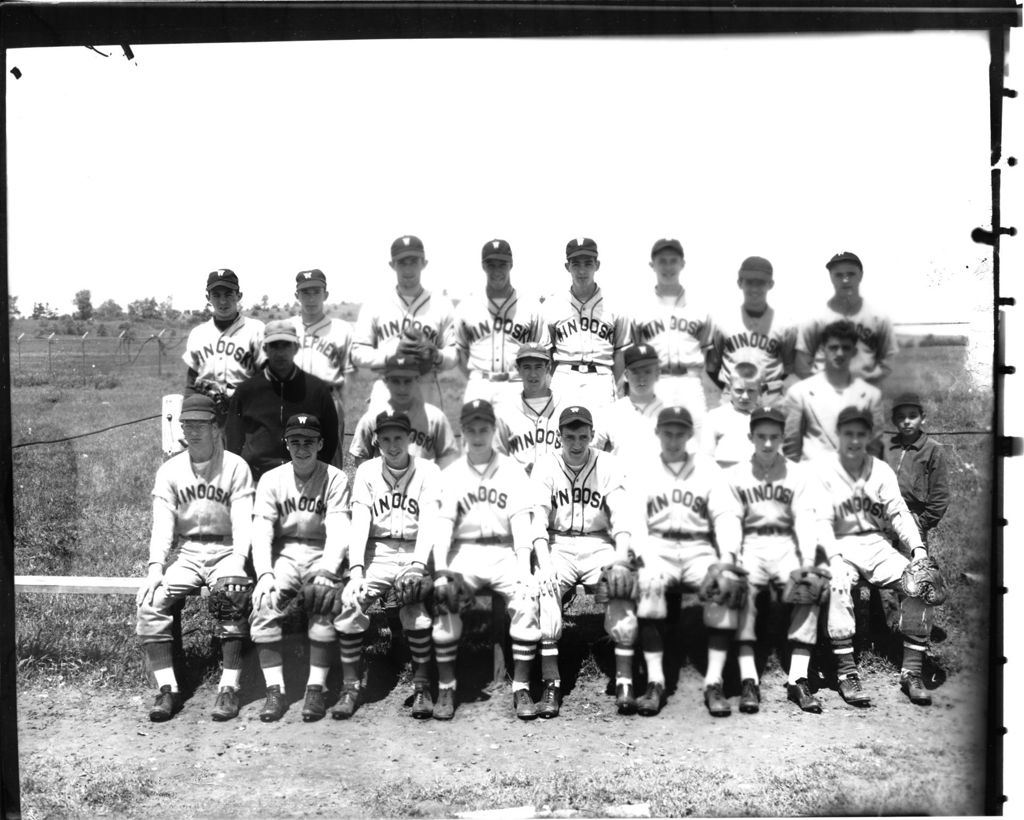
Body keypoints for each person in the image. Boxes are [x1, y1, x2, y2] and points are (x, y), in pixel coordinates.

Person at [135, 394, 255, 722]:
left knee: (232, 593)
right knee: (151, 601)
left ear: (217, 427)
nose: (194, 431)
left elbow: (245, 520)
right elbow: (163, 525)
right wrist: (156, 567)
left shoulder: (235, 466)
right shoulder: (171, 470)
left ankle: (229, 687)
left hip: (227, 549)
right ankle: (167, 689)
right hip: (188, 553)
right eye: (188, 424)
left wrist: (239, 561)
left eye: (202, 424)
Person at [813, 406, 940, 707]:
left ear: (868, 436)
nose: (854, 440)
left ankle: (912, 671)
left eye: (860, 434)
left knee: (919, 583)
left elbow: (899, 513)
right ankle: (846, 673)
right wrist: (831, 557)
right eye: (848, 434)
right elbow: (820, 522)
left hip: (877, 545)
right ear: (838, 436)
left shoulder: (880, 469)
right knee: (838, 581)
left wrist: (918, 551)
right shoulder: (824, 469)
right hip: (841, 545)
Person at [430, 400, 545, 720]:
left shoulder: (511, 470)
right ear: (462, 432)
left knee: (525, 598)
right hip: (463, 553)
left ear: (494, 431)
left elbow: (522, 522)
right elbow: (442, 528)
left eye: (484, 429)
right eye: (471, 429)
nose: (478, 435)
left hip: (504, 550)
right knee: (445, 600)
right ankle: (447, 686)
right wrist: (441, 571)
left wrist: (524, 567)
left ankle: (520, 686)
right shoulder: (451, 474)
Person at [631, 406, 745, 718]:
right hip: (659, 545)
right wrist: (646, 559)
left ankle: (714, 681)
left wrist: (726, 560)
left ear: (689, 435)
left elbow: (725, 516)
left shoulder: (707, 468)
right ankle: (655, 681)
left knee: (722, 588)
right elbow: (635, 522)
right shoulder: (644, 469)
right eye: (668, 432)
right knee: (649, 587)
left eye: (680, 432)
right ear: (658, 433)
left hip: (698, 547)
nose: (673, 439)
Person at [330, 410, 443, 719]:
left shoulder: (428, 472)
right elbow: (360, 524)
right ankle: (350, 686)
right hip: (375, 552)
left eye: (399, 438)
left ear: (410, 439)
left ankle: (422, 686)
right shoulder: (367, 472)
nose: (392, 445)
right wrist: (355, 571)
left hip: (413, 551)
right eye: (386, 439)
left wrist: (418, 566)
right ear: (376, 441)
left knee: (413, 606)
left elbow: (430, 524)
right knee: (349, 605)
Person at [531, 405, 641, 717]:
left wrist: (620, 559)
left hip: (598, 543)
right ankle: (551, 683)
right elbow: (537, 520)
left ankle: (624, 681)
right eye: (569, 437)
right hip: (558, 542)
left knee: (621, 588)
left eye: (582, 436)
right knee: (546, 590)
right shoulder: (545, 465)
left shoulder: (608, 464)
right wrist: (544, 561)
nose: (576, 444)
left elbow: (622, 517)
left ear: (592, 435)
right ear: (559, 437)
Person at [723, 405, 828, 714]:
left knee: (809, 588)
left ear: (782, 437)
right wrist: (730, 560)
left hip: (785, 544)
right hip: (751, 543)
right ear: (750, 437)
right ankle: (748, 680)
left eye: (774, 437)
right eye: (761, 437)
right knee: (742, 591)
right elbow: (729, 520)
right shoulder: (737, 475)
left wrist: (807, 561)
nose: (767, 444)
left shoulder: (797, 474)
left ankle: (797, 678)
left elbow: (806, 520)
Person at [249, 414, 352, 722]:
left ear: (321, 444)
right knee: (264, 601)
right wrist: (264, 573)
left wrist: (327, 572)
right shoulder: (271, 479)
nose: (302, 449)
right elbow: (262, 530)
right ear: (287, 444)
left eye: (309, 442)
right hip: (285, 553)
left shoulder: (335, 478)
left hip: (322, 552)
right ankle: (275, 690)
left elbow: (339, 530)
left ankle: (316, 689)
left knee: (323, 599)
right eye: (295, 442)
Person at [226, 320, 339, 483]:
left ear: (296, 348)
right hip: (256, 479)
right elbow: (234, 442)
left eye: (286, 345)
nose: (280, 353)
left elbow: (329, 440)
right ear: (265, 349)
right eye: (274, 346)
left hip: (304, 478)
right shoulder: (246, 390)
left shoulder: (317, 389)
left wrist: (311, 474)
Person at [351, 235, 458, 406]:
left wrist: (436, 354)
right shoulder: (375, 303)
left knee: (429, 432)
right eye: (402, 263)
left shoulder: (442, 304)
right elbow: (357, 353)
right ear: (392, 265)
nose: (408, 269)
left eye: (413, 262)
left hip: (426, 388)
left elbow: (454, 355)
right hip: (387, 386)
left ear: (424, 263)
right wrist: (392, 354)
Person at [630, 238, 713, 430]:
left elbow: (707, 350)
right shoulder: (640, 307)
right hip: (656, 383)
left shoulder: (700, 305)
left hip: (691, 381)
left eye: (673, 261)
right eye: (662, 261)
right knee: (653, 438)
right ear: (653, 265)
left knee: (697, 439)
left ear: (682, 264)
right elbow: (635, 350)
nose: (668, 267)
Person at [454, 239, 549, 406]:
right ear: (483, 266)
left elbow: (542, 352)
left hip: (516, 383)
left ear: (511, 265)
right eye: (491, 265)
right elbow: (461, 353)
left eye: (502, 264)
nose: (497, 270)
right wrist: (474, 377)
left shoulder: (530, 306)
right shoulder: (467, 306)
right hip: (479, 384)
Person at [543, 237, 630, 412]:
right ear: (567, 267)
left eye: (588, 263)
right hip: (564, 375)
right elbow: (546, 352)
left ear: (597, 265)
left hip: (602, 376)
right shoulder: (552, 305)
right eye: (576, 264)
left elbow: (620, 351)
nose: (582, 271)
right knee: (562, 435)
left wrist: (620, 390)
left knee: (603, 434)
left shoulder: (615, 305)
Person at [782, 320, 883, 462]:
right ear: (823, 349)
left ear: (854, 351)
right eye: (834, 347)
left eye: (846, 348)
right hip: (813, 479)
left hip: (855, 479)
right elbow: (791, 450)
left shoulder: (870, 395)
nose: (840, 353)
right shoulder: (799, 392)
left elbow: (874, 448)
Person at [794, 251, 897, 385]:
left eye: (851, 274)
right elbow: (802, 365)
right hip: (825, 397)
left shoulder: (879, 318)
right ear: (831, 277)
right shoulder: (815, 319)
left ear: (860, 275)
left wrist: (867, 387)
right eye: (839, 275)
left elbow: (888, 364)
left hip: (863, 396)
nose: (845, 280)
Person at [706, 255, 797, 405]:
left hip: (769, 397)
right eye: (749, 282)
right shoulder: (721, 321)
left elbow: (788, 368)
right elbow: (712, 367)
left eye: (760, 283)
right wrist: (733, 388)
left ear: (771, 284)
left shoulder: (785, 324)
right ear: (739, 283)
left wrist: (768, 389)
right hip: (733, 395)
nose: (754, 289)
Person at [288, 268, 355, 468]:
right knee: (293, 455)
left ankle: (332, 498)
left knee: (330, 456)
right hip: (293, 397)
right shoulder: (286, 327)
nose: (311, 298)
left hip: (328, 397)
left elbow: (348, 372)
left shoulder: (342, 329)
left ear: (325, 294)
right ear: (296, 295)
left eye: (316, 291)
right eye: (305, 292)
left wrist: (340, 405)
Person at [349, 354, 460, 470]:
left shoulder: (435, 417)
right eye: (396, 381)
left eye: (407, 381)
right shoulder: (372, 417)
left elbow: (447, 458)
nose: (402, 388)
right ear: (386, 381)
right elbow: (362, 456)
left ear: (417, 380)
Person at [181, 268, 265, 419]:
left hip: (247, 415)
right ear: (208, 297)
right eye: (216, 295)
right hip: (207, 416)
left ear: (239, 296)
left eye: (228, 294)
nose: (223, 301)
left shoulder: (256, 330)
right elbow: (191, 383)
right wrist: (187, 418)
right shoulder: (198, 334)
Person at [881, 392, 950, 549]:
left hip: (912, 519)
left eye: (912, 416)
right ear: (894, 420)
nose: (906, 421)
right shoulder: (886, 447)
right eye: (901, 417)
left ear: (922, 417)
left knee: (912, 568)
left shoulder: (933, 449)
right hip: (883, 518)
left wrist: (922, 523)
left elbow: (940, 495)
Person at [598, 343, 665, 470]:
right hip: (621, 486)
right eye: (636, 372)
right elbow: (589, 452)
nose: (642, 378)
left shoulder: (669, 412)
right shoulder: (611, 412)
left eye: (647, 371)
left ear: (657, 374)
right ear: (626, 376)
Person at [701, 362, 764, 468]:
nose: (745, 397)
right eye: (739, 391)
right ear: (730, 388)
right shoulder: (716, 416)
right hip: (723, 475)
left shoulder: (764, 419)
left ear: (759, 390)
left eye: (751, 391)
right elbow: (706, 456)